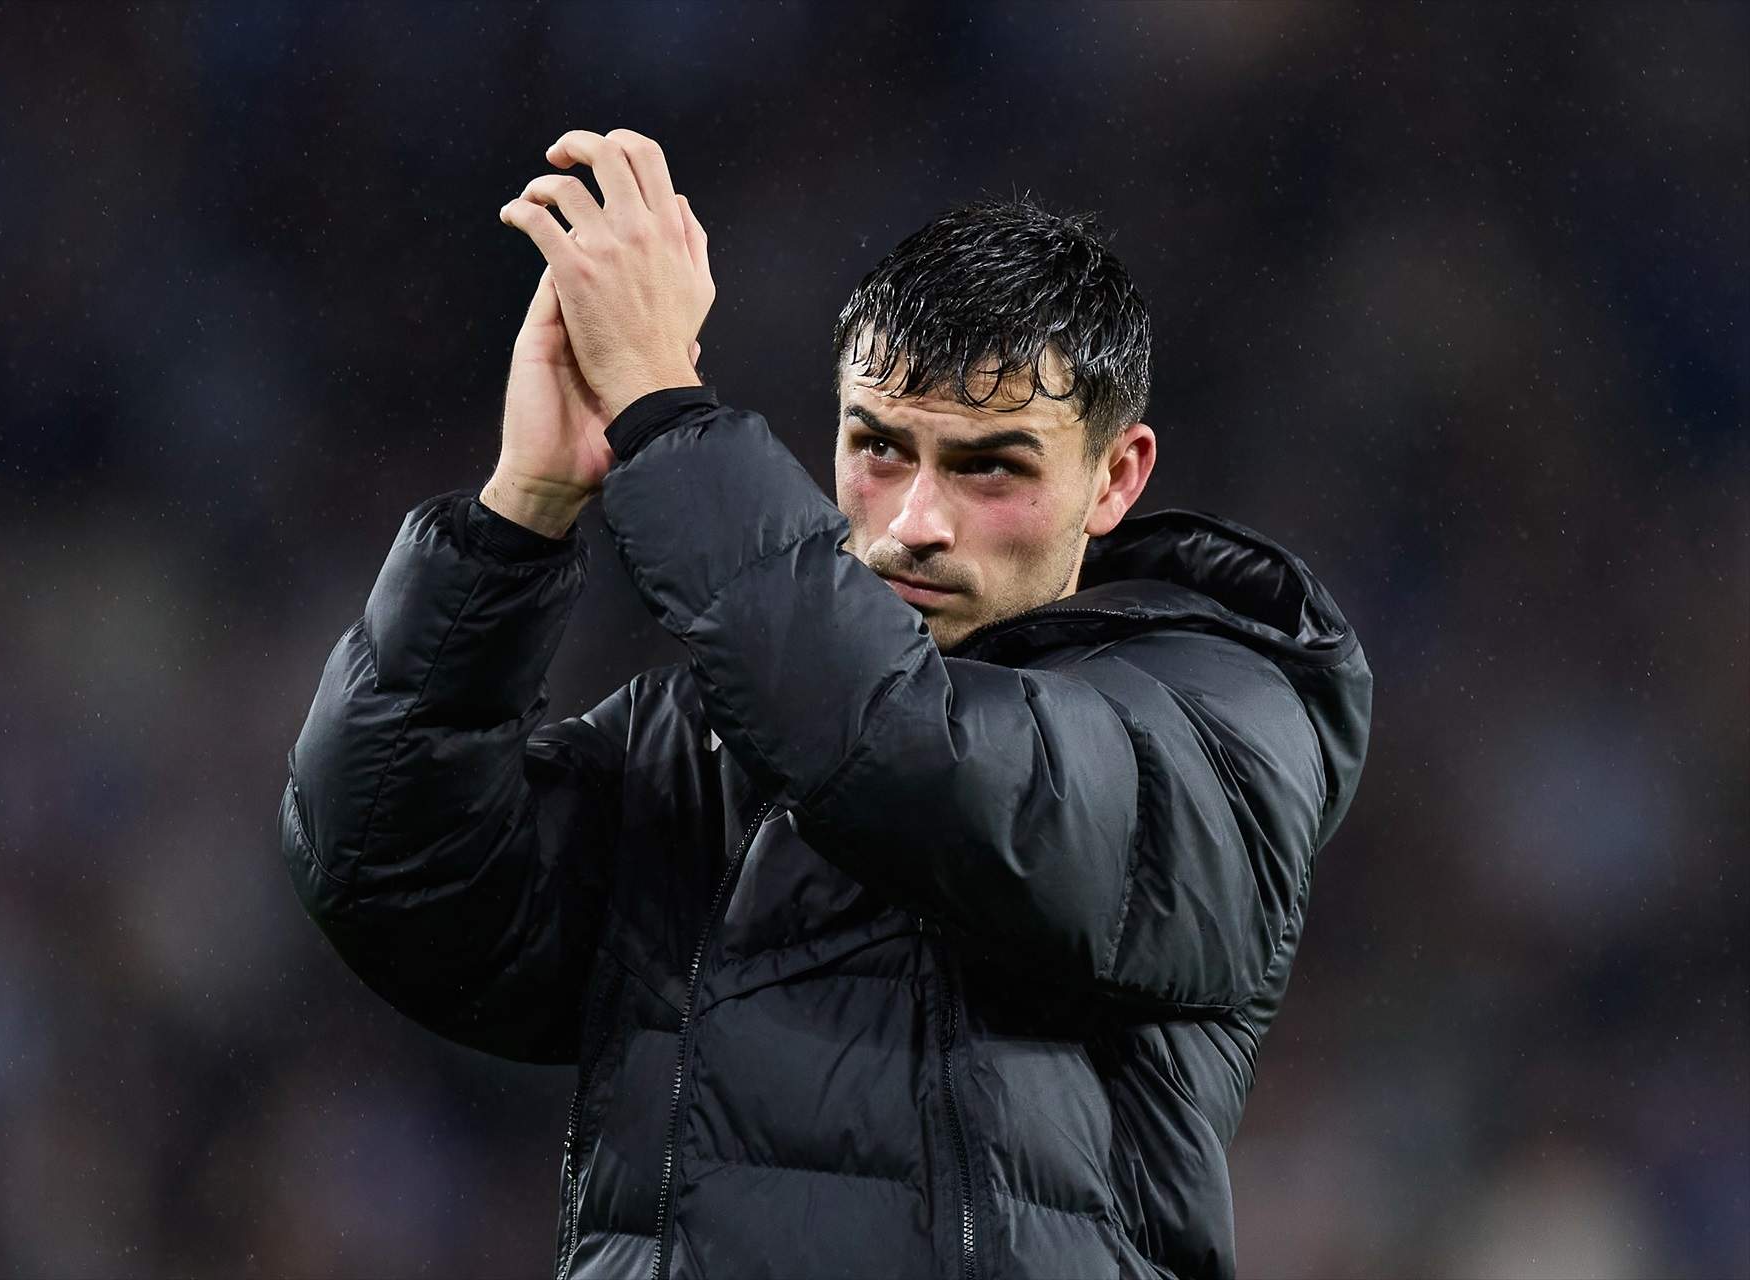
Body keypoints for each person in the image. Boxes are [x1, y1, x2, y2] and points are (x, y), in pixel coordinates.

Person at [278, 127, 1373, 1280]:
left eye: (990, 466)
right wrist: (521, 512)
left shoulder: (1223, 723)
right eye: (878, 448)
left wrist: (663, 414)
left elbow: (917, 758)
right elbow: (390, 875)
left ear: (1116, 475)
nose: (914, 522)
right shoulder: (712, 735)